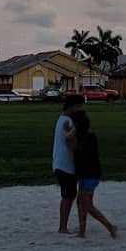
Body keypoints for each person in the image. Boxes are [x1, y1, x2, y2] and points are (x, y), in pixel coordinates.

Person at [71, 107, 118, 239]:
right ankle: (82, 230)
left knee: (86, 204)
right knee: (82, 203)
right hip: (89, 174)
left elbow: (77, 151)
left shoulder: (85, 138)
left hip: (89, 174)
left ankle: (109, 227)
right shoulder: (89, 137)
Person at [51, 96, 80, 234]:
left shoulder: (61, 119)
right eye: (77, 107)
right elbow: (70, 143)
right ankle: (62, 227)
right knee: (68, 196)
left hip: (59, 163)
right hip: (66, 165)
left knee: (69, 195)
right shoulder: (68, 121)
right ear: (71, 107)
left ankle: (63, 225)